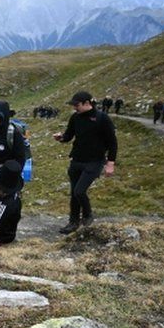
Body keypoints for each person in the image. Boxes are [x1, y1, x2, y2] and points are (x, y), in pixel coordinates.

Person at [53, 90, 118, 234]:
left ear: (87, 103)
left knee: (79, 191)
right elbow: (69, 135)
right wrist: (61, 138)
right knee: (74, 193)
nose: (74, 108)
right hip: (77, 160)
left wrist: (110, 163)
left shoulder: (102, 118)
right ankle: (73, 222)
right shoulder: (75, 117)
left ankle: (88, 214)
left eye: (77, 105)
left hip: (94, 162)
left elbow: (113, 142)